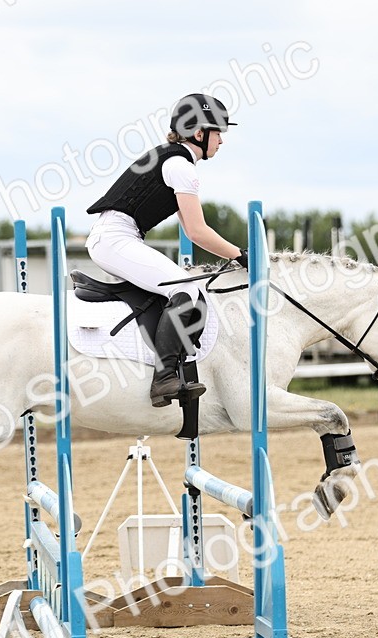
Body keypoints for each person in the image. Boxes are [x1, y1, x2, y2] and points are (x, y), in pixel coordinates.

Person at [86, 93, 249, 408]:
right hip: (116, 238)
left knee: (181, 287)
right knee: (185, 289)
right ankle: (163, 379)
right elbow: (197, 231)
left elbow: (191, 231)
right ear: (198, 133)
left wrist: (235, 254)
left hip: (117, 237)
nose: (221, 140)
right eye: (218, 132)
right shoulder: (180, 166)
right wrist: (241, 255)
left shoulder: (172, 160)